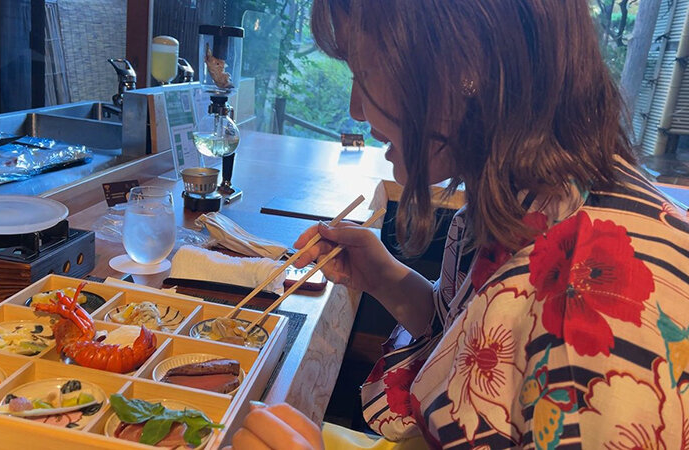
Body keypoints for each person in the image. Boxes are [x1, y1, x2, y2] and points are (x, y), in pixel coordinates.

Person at [227, 0, 689, 448]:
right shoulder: (531, 195)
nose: (356, 109)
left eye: (363, 71)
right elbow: (472, 345)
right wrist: (385, 279)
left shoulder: (597, 300)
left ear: (465, 62)